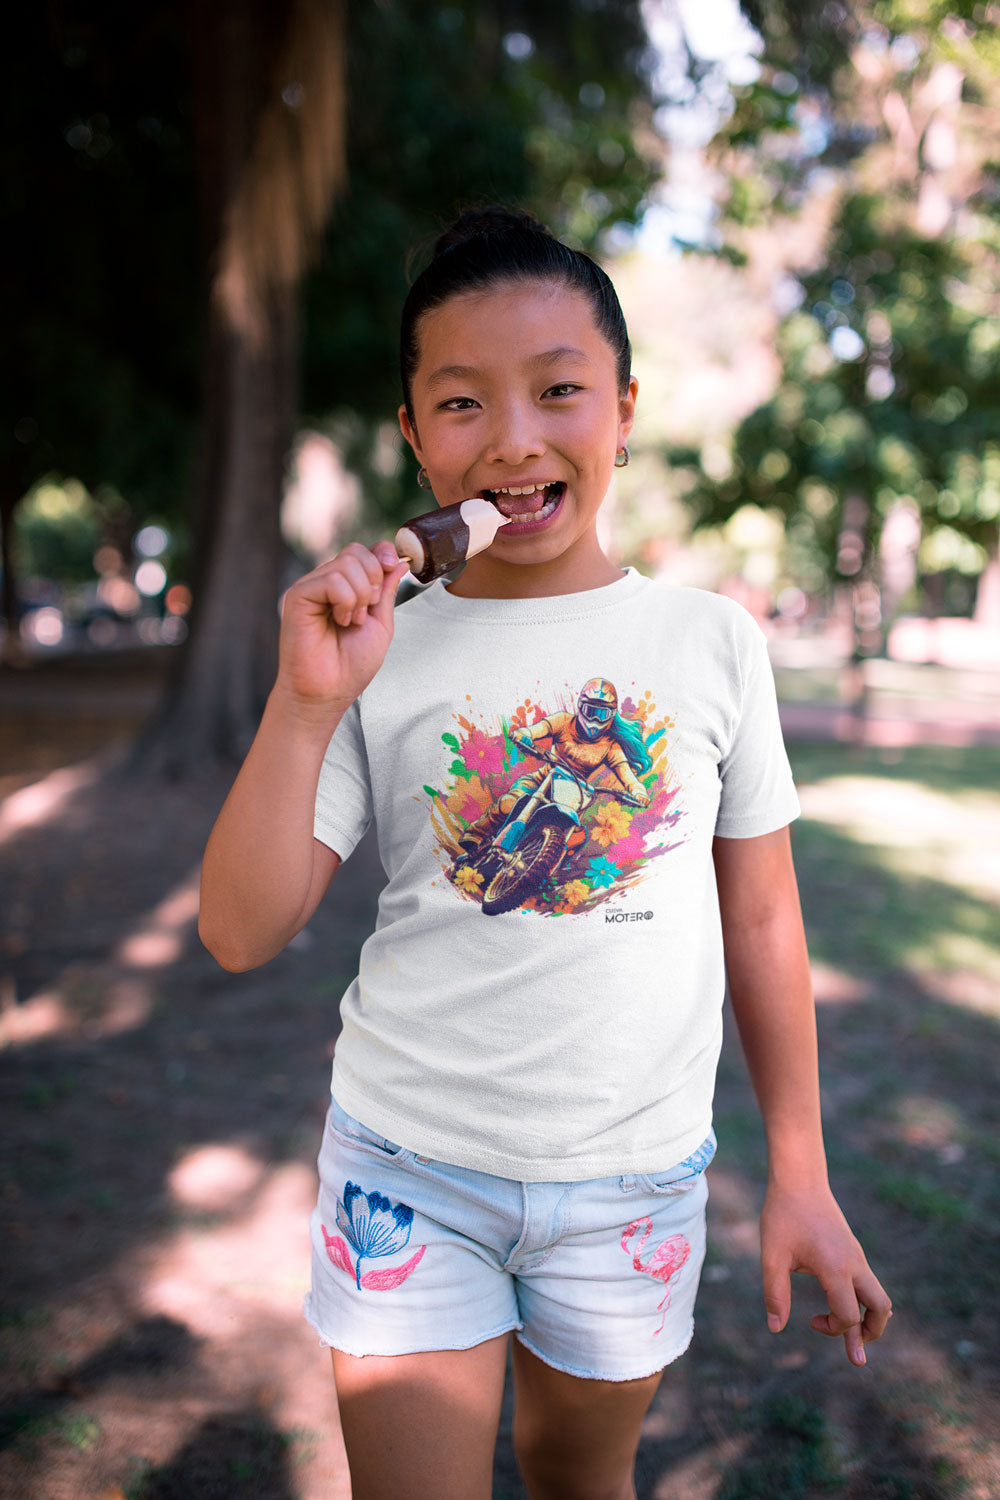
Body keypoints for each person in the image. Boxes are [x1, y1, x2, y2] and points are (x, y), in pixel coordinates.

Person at [199, 205, 891, 1500]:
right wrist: (305, 705)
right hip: (407, 1178)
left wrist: (799, 1173)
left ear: (623, 409)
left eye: (559, 390)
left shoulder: (710, 642)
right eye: (462, 403)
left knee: (585, 1483)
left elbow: (763, 926)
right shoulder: (376, 644)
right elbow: (239, 930)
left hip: (632, 1186)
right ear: (413, 435)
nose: (513, 438)